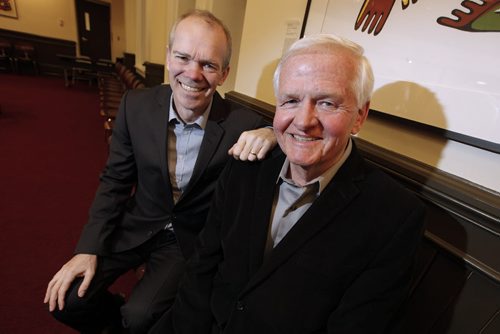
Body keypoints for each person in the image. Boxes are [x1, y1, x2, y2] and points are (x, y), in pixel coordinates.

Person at [161, 34, 426, 334]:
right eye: (291, 100)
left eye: (327, 103)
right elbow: (201, 268)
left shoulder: (395, 216)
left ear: (359, 116)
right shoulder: (244, 167)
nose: (303, 120)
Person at [44, 10, 276, 334]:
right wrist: (88, 249)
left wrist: (273, 133)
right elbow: (114, 182)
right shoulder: (134, 106)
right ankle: (115, 318)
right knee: (67, 300)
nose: (193, 73)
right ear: (168, 58)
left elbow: (285, 129)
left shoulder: (243, 124)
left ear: (224, 73)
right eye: (183, 57)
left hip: (184, 241)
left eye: (208, 64)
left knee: (139, 318)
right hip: (138, 221)